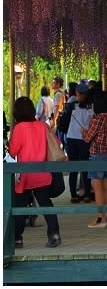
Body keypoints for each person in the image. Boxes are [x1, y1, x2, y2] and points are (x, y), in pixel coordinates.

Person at [8, 96, 62, 248]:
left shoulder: (19, 128)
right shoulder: (42, 126)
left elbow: (13, 152)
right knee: (46, 204)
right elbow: (56, 143)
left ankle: (17, 238)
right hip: (42, 172)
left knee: (20, 207)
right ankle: (54, 233)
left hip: (24, 175)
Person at [83, 90, 107, 228]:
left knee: (97, 187)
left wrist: (84, 132)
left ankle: (100, 217)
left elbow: (87, 138)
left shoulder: (97, 119)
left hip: (97, 154)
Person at [64, 83, 95, 203]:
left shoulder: (71, 106)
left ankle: (74, 195)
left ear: (76, 93)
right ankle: (87, 194)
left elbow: (63, 123)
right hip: (85, 140)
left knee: (74, 168)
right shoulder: (92, 107)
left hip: (72, 138)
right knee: (85, 168)